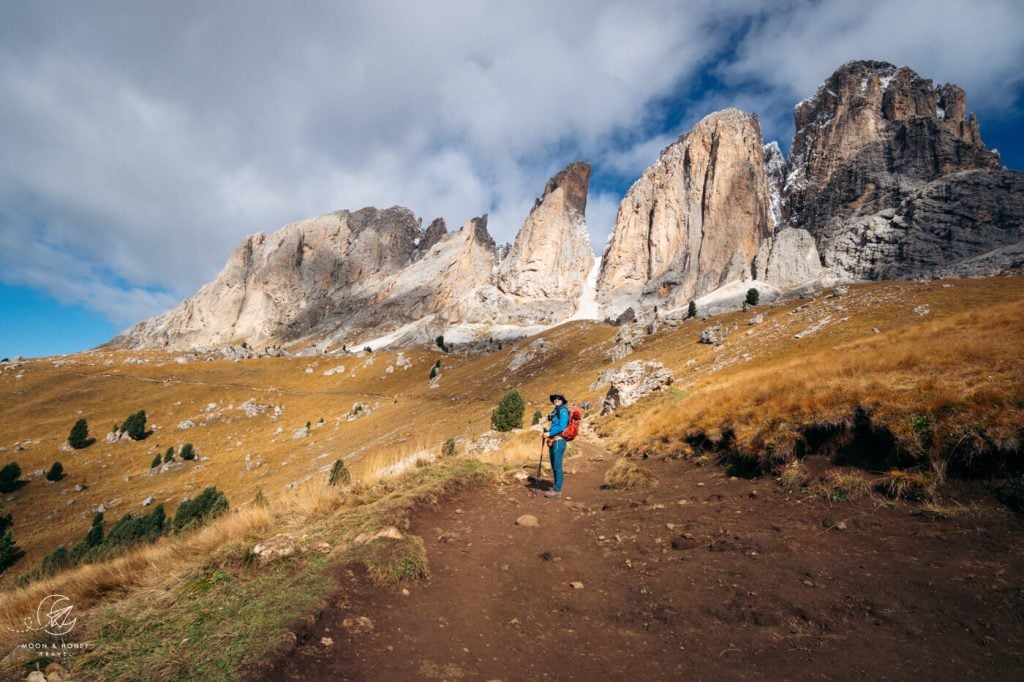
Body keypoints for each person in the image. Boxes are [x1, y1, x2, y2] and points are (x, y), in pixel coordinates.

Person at [544, 393, 569, 498]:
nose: (556, 400)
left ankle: (557, 490)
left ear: (562, 400)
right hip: (553, 441)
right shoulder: (556, 411)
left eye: (559, 398)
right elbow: (554, 422)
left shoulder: (563, 411)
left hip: (559, 441)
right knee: (554, 465)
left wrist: (549, 433)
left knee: (557, 466)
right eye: (554, 399)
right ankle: (556, 487)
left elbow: (562, 427)